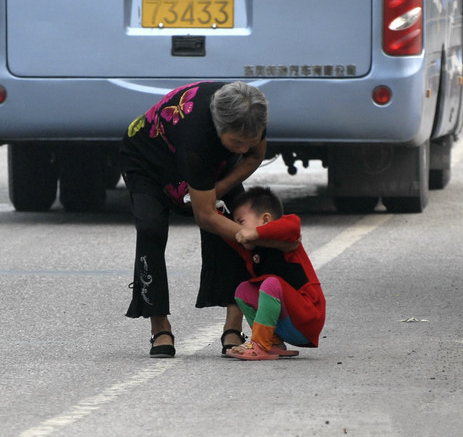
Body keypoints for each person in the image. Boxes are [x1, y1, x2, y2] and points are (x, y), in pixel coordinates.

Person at [120, 81, 269, 358]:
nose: (243, 147)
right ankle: (160, 327)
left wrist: (216, 194)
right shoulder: (197, 135)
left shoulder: (251, 116)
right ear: (219, 128)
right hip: (149, 160)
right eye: (236, 142)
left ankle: (233, 328)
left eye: (250, 139)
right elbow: (205, 216)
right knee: (151, 229)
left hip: (209, 164)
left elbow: (252, 158)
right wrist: (251, 236)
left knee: (238, 220)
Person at [226, 186, 325, 360]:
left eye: (241, 222)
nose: (238, 229)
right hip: (286, 323)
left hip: (308, 318)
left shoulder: (286, 236)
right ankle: (272, 342)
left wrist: (254, 233)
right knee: (243, 290)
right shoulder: (253, 250)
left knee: (271, 283)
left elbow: (292, 224)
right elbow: (221, 230)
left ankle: (260, 345)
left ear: (265, 219)